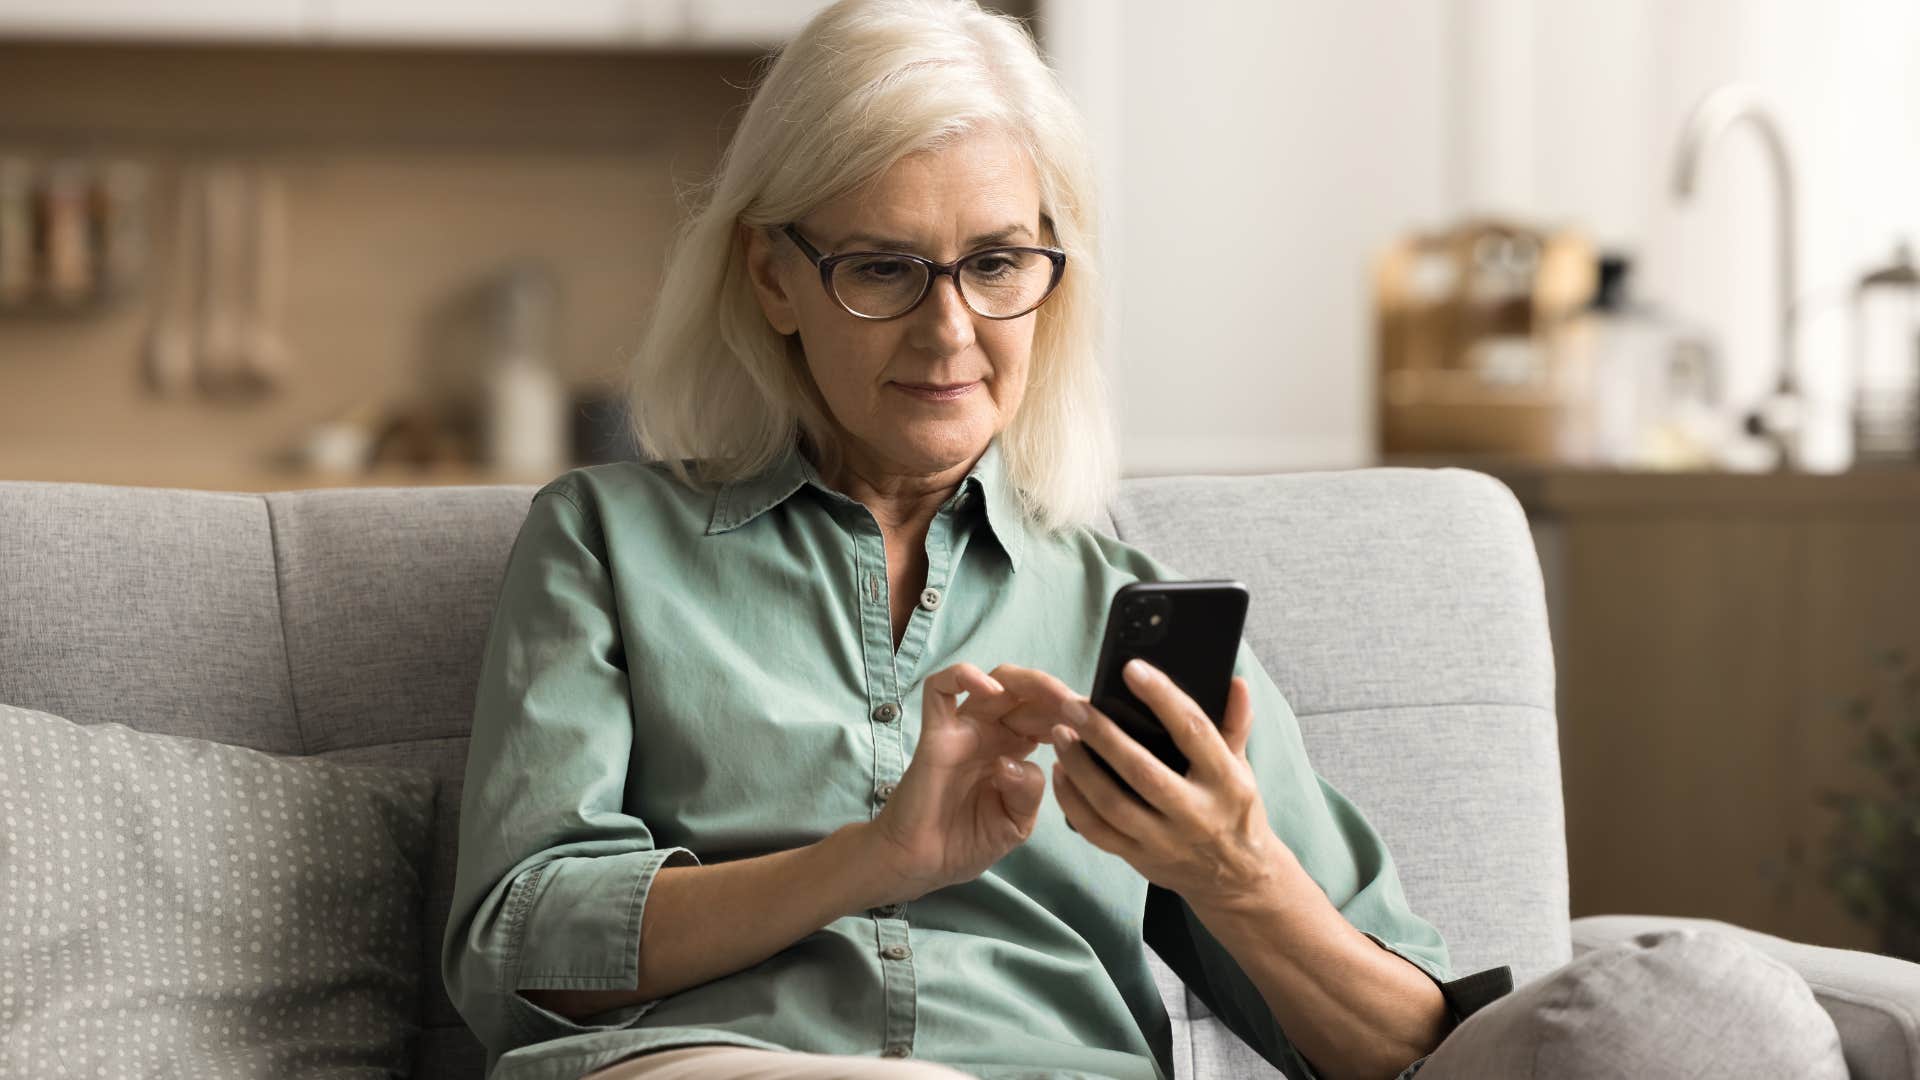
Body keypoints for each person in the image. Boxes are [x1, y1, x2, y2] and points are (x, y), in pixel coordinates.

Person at [442, 2, 1847, 1079]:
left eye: (998, 263)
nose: (950, 334)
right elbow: (516, 948)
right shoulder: (608, 543)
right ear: (773, 276)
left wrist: (1234, 870)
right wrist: (872, 859)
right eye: (882, 267)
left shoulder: (1129, 609)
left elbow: (1404, 1047)